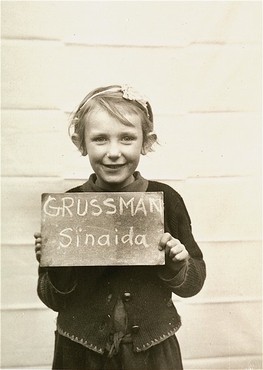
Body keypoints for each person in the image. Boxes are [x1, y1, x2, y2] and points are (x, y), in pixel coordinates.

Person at [34, 84, 206, 370]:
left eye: (127, 138)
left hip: (152, 352)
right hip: (80, 352)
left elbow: (194, 282)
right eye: (100, 139)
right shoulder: (66, 208)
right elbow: (51, 298)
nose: (114, 152)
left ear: (146, 142)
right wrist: (56, 265)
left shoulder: (167, 201)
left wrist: (177, 266)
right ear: (81, 143)